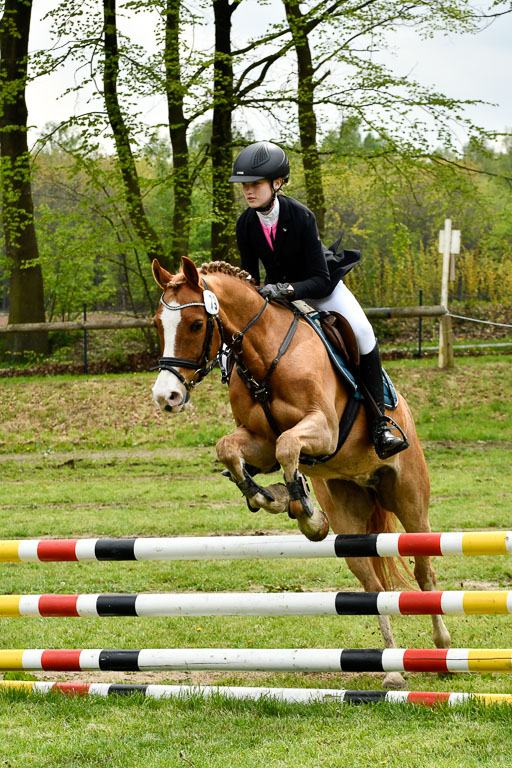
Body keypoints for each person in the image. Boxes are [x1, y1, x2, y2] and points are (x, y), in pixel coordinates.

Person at [229, 140, 408, 460]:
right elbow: (249, 277)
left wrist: (282, 290)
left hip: (322, 288)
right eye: (245, 185)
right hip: (278, 297)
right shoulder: (245, 223)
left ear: (277, 183)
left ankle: (380, 423)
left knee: (364, 333)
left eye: (255, 184)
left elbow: (320, 279)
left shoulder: (301, 216)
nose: (248, 191)